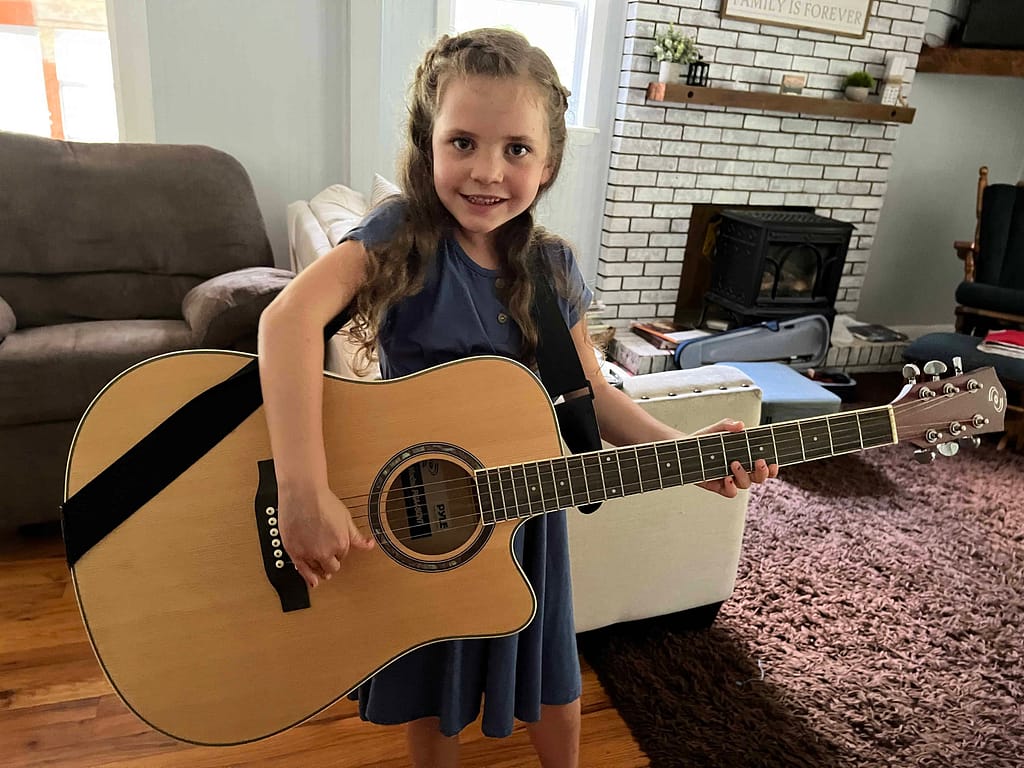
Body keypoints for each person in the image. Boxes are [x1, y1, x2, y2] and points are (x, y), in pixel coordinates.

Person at [258, 27, 777, 768]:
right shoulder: (401, 235)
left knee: (554, 683)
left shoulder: (553, 268)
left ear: (551, 160)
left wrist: (684, 452)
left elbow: (590, 396)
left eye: (516, 149)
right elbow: (287, 320)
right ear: (427, 142)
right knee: (435, 694)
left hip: (527, 520)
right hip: (423, 524)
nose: (486, 171)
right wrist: (302, 489)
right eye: (462, 142)